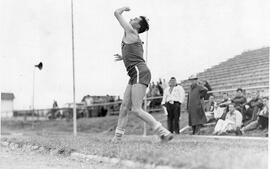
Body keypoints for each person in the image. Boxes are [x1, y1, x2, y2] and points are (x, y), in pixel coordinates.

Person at [112, 7, 173, 143]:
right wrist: (124, 57)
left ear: (138, 26)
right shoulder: (132, 35)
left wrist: (124, 8)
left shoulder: (131, 31)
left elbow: (116, 13)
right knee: (124, 107)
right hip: (135, 73)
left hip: (140, 72)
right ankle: (117, 139)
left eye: (135, 19)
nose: (132, 18)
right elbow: (135, 54)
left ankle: (163, 132)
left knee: (136, 109)